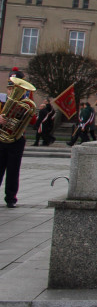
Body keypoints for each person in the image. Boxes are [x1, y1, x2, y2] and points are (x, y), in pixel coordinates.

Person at [0, 76, 32, 208]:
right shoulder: (1, 103)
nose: (11, 91)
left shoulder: (25, 105)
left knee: (13, 170)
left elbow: (32, 121)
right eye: (10, 89)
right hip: (1, 140)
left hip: (16, 140)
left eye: (14, 89)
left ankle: (11, 197)